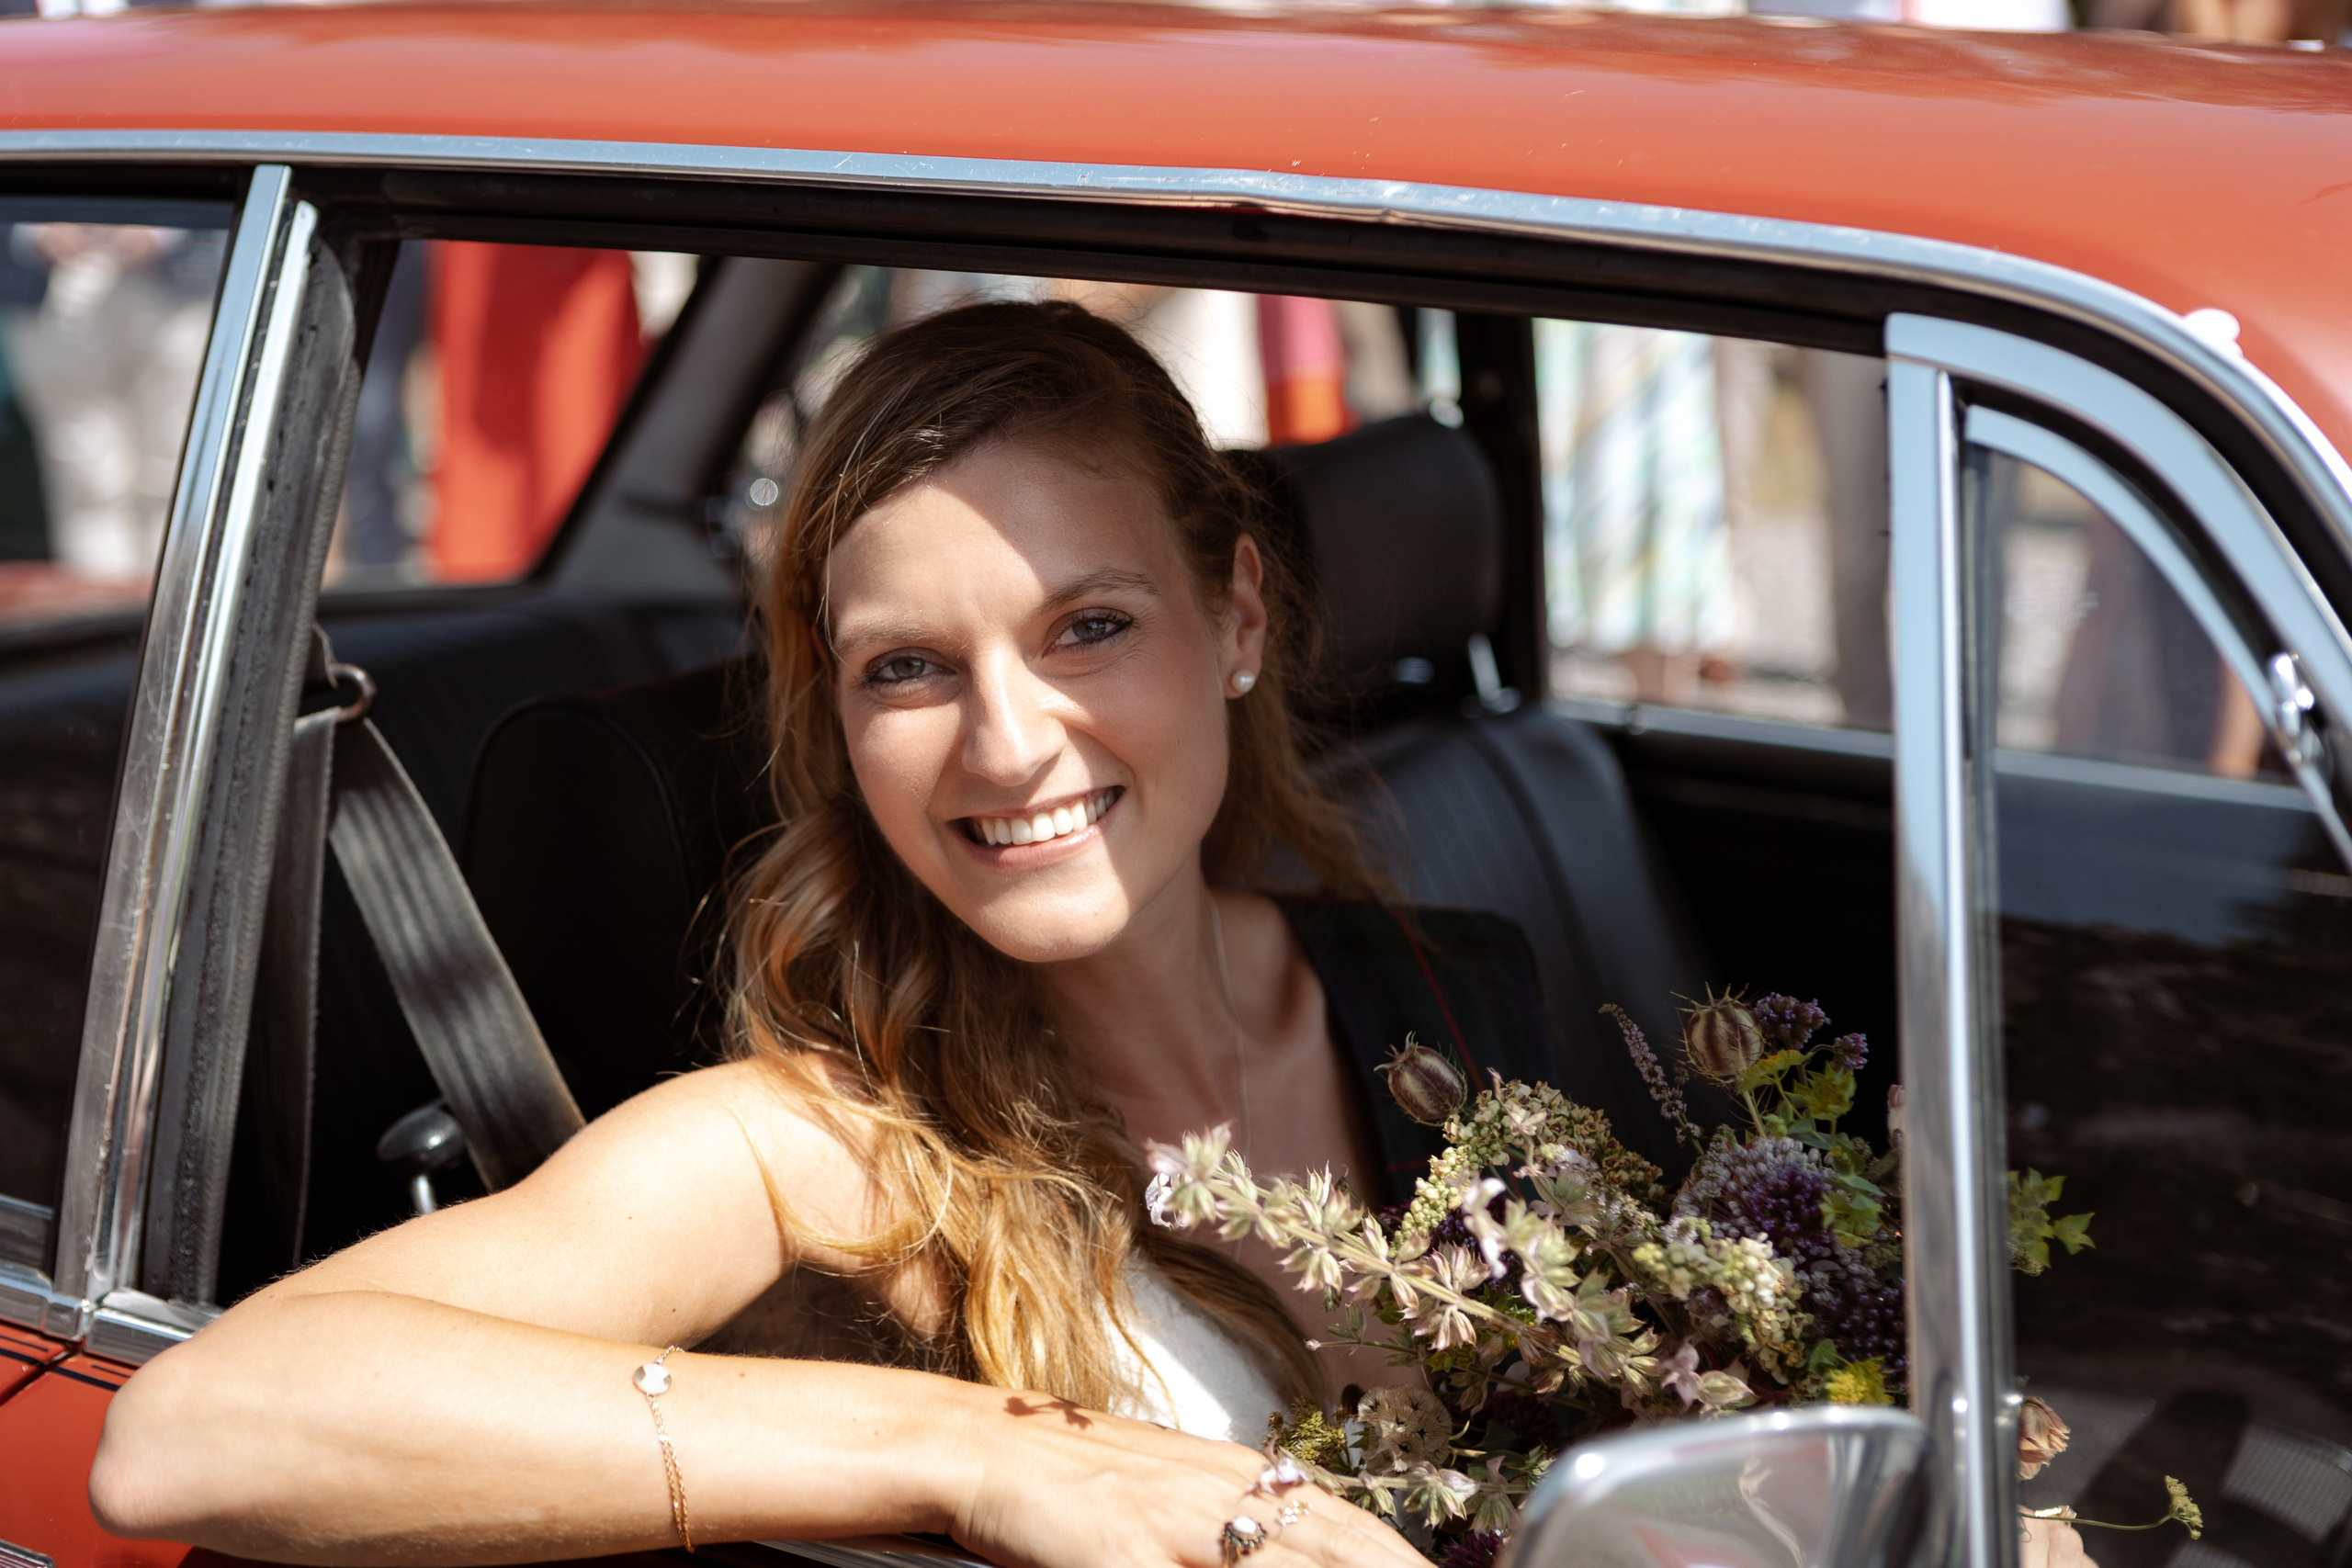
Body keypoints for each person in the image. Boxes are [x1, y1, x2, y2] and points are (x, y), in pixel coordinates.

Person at [86, 300, 1483, 1568]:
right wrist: (973, 1450)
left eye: (1090, 626)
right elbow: (193, 1433)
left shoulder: (1454, 1002)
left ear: (1235, 615)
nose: (1006, 747)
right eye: (910, 668)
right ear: (837, 714)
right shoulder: (822, 1151)